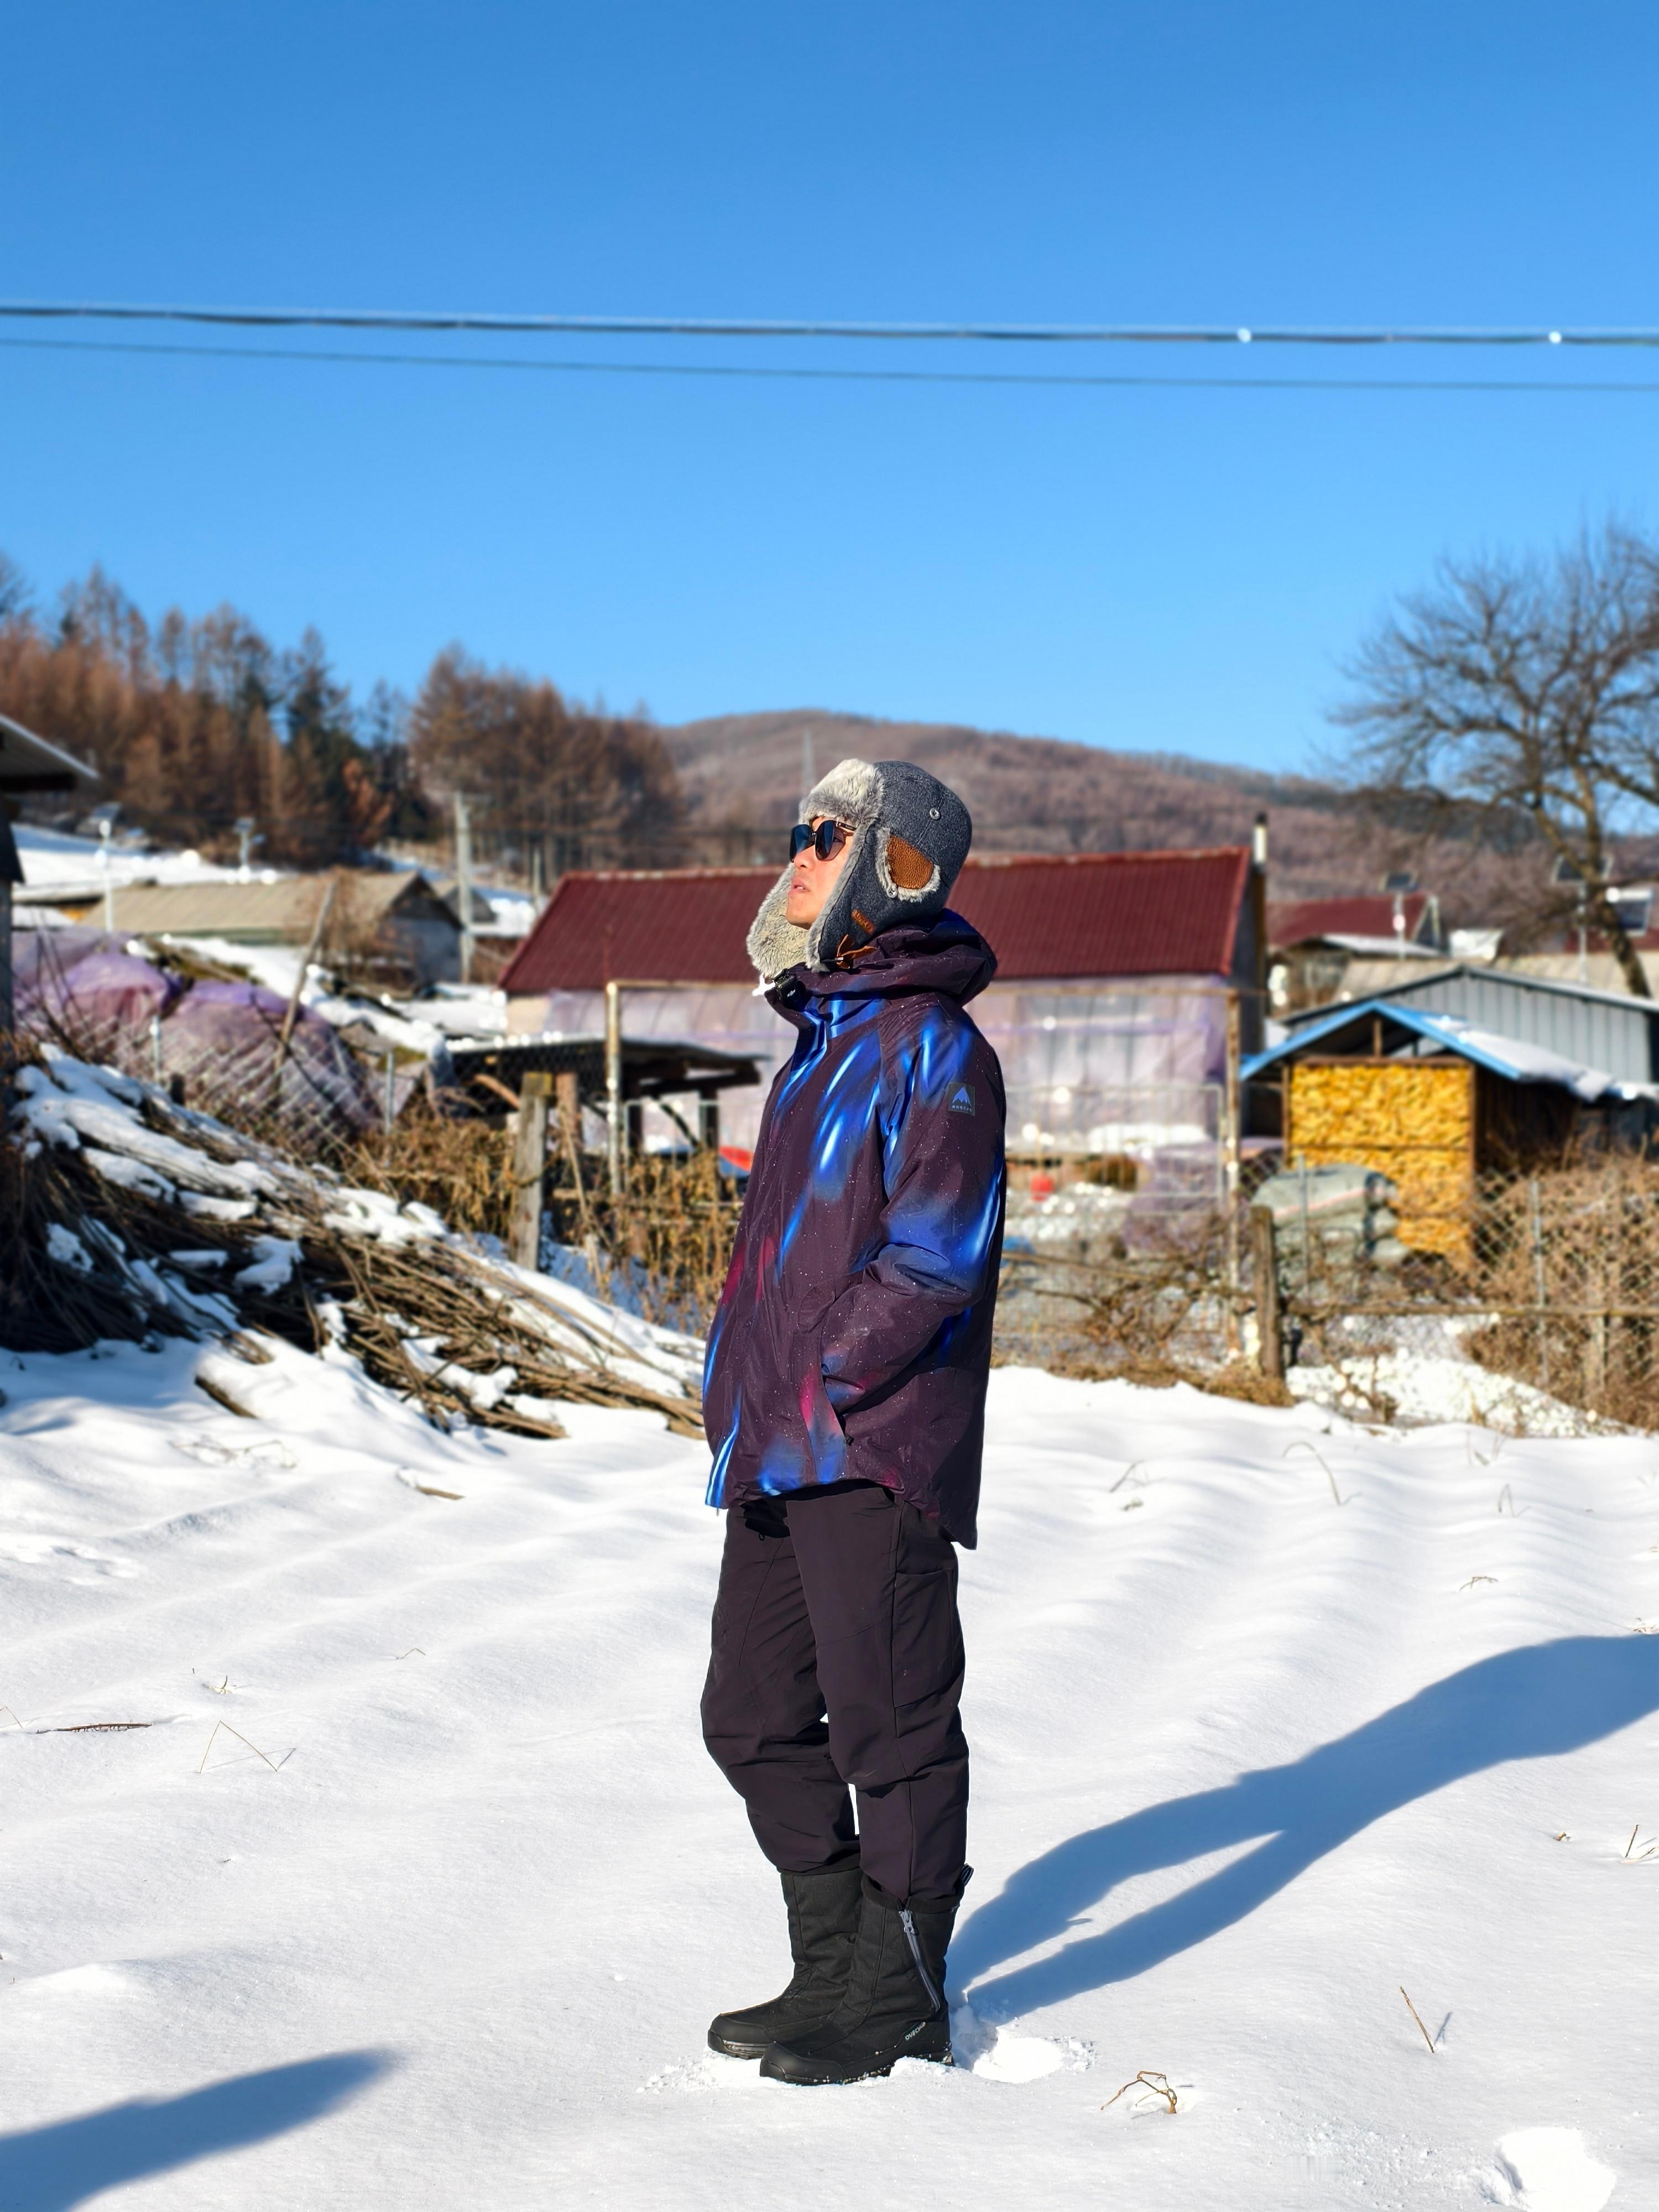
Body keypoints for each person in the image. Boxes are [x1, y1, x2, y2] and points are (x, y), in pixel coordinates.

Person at [698, 757, 1005, 2086]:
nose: (800, 853)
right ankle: (830, 1965)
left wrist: (830, 1372)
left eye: (828, 833)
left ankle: (902, 1992)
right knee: (750, 1713)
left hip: (868, 1445)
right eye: (799, 832)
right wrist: (749, 1380)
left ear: (900, 866)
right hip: (776, 1441)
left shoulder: (937, 1049)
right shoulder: (818, 1048)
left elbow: (937, 1258)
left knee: (893, 1724)